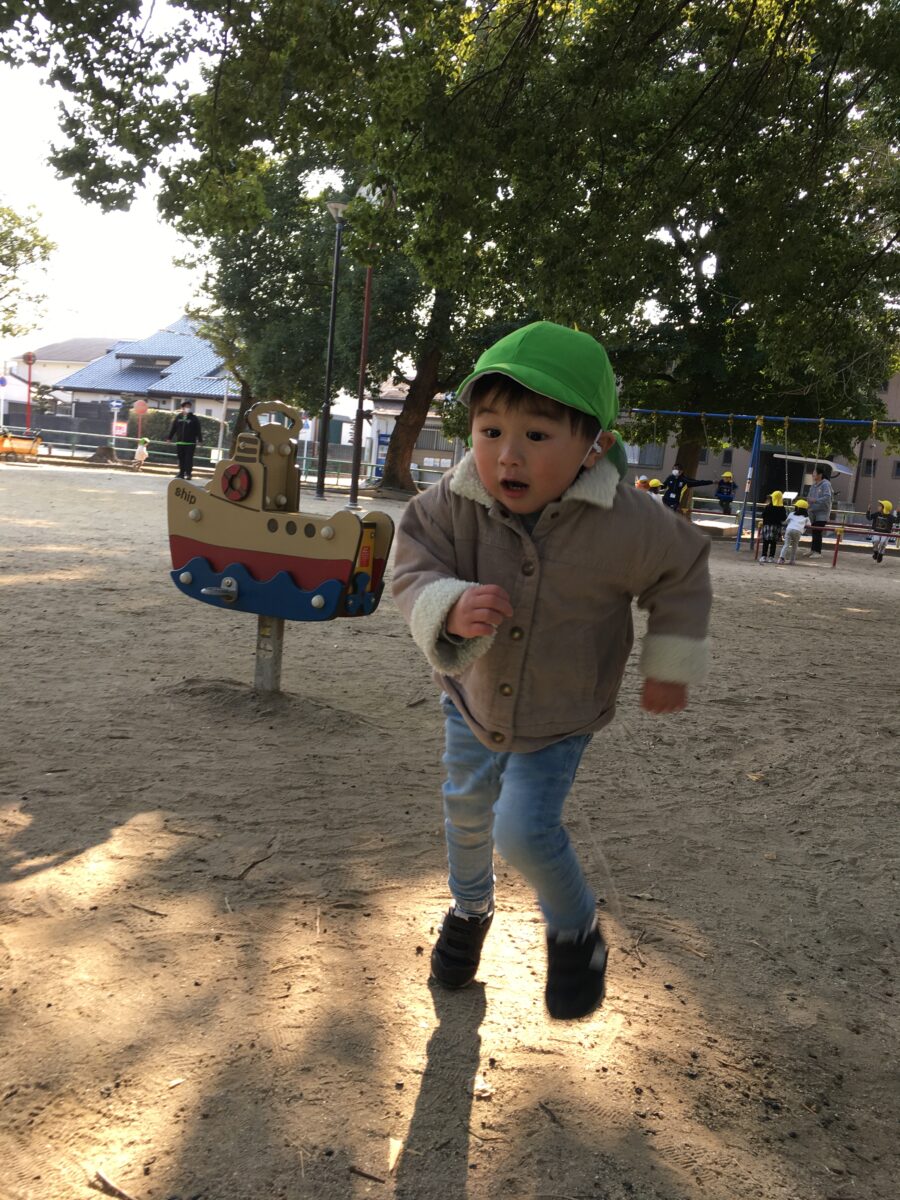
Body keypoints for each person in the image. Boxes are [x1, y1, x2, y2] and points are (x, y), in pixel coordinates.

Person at [392, 321, 712, 1021]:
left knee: (522, 828)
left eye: (537, 436)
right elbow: (411, 560)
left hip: (562, 710)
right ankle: (470, 909)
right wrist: (446, 604)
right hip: (473, 698)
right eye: (489, 431)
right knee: (467, 812)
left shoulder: (626, 519)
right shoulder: (452, 500)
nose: (507, 455)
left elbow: (683, 568)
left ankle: (576, 931)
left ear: (594, 446)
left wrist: (670, 660)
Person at [166, 401, 203, 480]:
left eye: (189, 407)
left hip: (190, 443)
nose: (188, 408)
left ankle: (188, 474)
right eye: (186, 407)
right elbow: (173, 428)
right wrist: (169, 438)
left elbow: (198, 430)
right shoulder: (178, 417)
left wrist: (200, 440)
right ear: (182, 408)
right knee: (181, 458)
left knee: (188, 459)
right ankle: (181, 473)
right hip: (180, 442)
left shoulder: (194, 418)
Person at [804, 465, 833, 557]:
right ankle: (813, 550)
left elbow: (827, 497)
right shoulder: (813, 485)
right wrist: (808, 503)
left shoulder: (826, 484)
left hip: (822, 512)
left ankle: (817, 552)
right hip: (813, 511)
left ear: (820, 475)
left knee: (817, 531)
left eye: (814, 473)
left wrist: (815, 500)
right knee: (814, 531)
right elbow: (809, 496)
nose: (813, 475)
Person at [777, 499, 811, 565]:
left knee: (786, 545)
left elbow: (785, 522)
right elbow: (809, 525)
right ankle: (792, 560)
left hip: (789, 529)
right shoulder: (806, 517)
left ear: (797, 508)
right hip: (798, 531)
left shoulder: (792, 514)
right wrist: (803, 528)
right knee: (795, 546)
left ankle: (781, 558)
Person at [759, 490, 788, 562]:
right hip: (776, 527)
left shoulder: (768, 507)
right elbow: (784, 518)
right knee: (773, 543)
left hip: (767, 526)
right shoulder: (782, 508)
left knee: (766, 542)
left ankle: (763, 556)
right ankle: (771, 557)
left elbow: (763, 515)